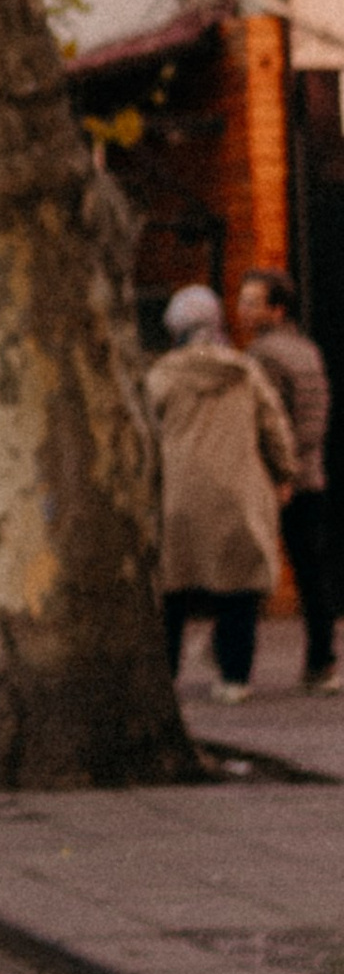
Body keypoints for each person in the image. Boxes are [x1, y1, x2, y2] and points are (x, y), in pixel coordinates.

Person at [149, 279, 296, 702]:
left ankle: (168, 676)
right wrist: (284, 473)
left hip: (177, 497)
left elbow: (143, 431)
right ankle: (234, 678)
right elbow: (274, 427)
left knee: (172, 593)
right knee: (239, 591)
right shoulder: (243, 371)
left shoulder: (162, 376)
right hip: (238, 494)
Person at [237, 267, 335, 693]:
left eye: (252, 302)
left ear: (277, 310)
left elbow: (268, 422)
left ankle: (231, 662)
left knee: (244, 568)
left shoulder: (265, 357)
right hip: (311, 473)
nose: (241, 310)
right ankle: (322, 660)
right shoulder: (306, 350)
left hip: (280, 478)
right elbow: (317, 416)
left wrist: (281, 472)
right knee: (313, 571)